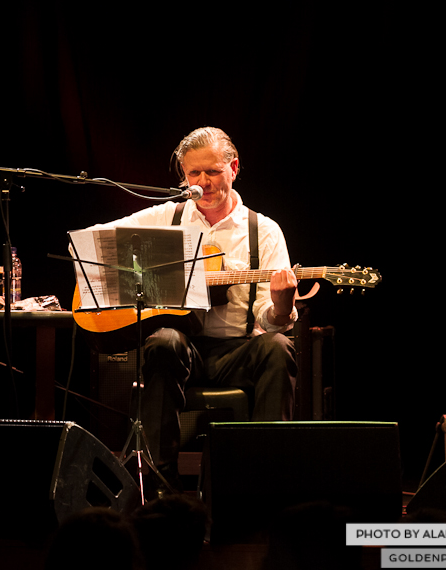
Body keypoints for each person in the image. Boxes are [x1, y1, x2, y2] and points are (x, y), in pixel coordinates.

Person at [85, 126, 299, 491]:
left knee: (278, 348)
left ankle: (264, 479)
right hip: (182, 350)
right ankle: (156, 484)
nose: (203, 182)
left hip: (238, 350)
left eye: (213, 172)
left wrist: (281, 306)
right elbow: (95, 245)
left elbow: (271, 320)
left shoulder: (263, 231)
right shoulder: (166, 217)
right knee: (165, 340)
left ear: (233, 168)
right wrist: (145, 278)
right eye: (193, 173)